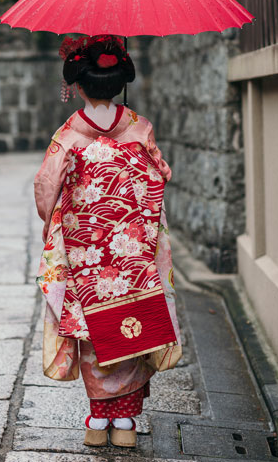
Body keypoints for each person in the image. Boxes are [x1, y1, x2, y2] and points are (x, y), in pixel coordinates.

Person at [34, 35, 181, 449]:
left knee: (94, 332)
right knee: (133, 324)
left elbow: (46, 190)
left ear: (77, 85)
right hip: (133, 252)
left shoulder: (68, 134)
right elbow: (160, 176)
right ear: (120, 82)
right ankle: (128, 423)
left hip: (86, 254)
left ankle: (98, 421)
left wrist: (57, 219)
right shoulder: (139, 127)